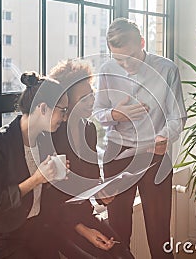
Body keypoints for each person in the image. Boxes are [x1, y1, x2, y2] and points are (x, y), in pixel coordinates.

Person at [93, 18, 187, 258]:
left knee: (159, 232)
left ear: (142, 43)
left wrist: (164, 137)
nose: (126, 65)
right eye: (119, 59)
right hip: (117, 154)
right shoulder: (106, 70)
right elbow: (98, 112)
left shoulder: (167, 69)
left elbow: (178, 117)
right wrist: (115, 114)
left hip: (154, 155)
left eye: (131, 57)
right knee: (118, 232)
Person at [0, 72, 69, 258]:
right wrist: (36, 179)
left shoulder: (45, 141)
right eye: (63, 111)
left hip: (32, 231)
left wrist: (53, 176)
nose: (65, 117)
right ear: (43, 108)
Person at [39, 59, 134, 259]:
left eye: (91, 92)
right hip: (57, 222)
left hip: (83, 214)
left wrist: (102, 193)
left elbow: (91, 178)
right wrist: (82, 229)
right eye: (84, 97)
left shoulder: (89, 129)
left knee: (123, 254)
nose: (91, 100)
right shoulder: (51, 135)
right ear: (66, 102)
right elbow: (49, 199)